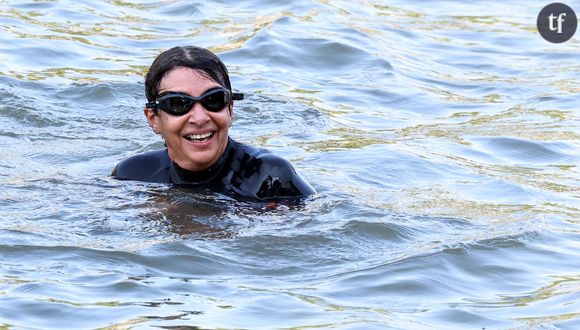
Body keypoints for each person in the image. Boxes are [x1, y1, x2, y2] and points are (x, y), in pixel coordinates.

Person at [112, 46, 315, 202]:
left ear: (230, 109)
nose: (200, 118)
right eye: (178, 104)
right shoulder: (133, 175)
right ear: (153, 119)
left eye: (214, 100)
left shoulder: (269, 178)